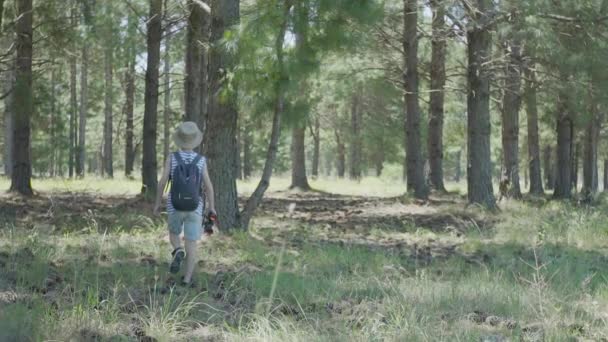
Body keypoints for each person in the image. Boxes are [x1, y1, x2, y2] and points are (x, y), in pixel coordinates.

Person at [154, 121, 216, 286]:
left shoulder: (172, 158)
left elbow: (162, 182)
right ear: (195, 140)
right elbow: (208, 186)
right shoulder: (201, 160)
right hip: (195, 207)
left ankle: (177, 249)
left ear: (179, 140)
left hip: (175, 205)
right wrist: (212, 207)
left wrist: (157, 202)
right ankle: (187, 279)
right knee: (192, 243)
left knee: (174, 234)